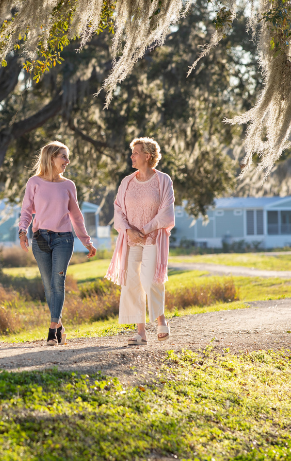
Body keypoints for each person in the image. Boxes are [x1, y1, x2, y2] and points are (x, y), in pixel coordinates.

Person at [19, 141, 97, 346]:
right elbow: (27, 210)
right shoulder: (34, 182)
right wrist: (22, 230)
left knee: (58, 282)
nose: (67, 161)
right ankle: (60, 325)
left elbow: (77, 216)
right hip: (41, 239)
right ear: (51, 158)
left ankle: (52, 328)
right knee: (48, 285)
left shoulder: (68, 185)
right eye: (63, 156)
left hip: (63, 238)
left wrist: (87, 241)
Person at [105, 137, 175, 345]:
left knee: (151, 279)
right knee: (132, 284)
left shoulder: (163, 181)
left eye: (135, 153)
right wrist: (128, 231)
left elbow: (166, 212)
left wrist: (143, 230)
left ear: (147, 156)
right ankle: (141, 333)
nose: (131, 156)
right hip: (131, 240)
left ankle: (161, 319)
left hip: (153, 238)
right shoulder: (126, 182)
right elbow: (117, 208)